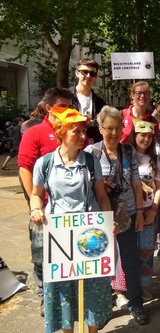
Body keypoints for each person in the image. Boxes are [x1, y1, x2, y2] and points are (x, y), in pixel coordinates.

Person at [29, 107, 113, 333]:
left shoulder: (91, 161)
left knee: (92, 287)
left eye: (84, 131)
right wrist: (36, 210)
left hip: (90, 234)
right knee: (64, 289)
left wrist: (108, 224)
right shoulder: (44, 163)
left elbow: (101, 196)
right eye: (76, 132)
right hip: (58, 236)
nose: (83, 137)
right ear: (62, 132)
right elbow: (36, 195)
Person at [84, 106, 149, 325]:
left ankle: (136, 303)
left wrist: (140, 212)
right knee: (100, 262)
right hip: (100, 217)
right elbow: (85, 185)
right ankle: (100, 309)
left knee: (130, 260)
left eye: (117, 128)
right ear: (100, 128)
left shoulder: (128, 151)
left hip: (128, 213)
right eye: (108, 128)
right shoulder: (91, 153)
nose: (113, 133)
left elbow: (137, 184)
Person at [18, 87, 73, 314]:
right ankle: (44, 295)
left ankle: (67, 293)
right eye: (64, 107)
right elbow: (24, 169)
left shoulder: (72, 131)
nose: (69, 111)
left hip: (70, 208)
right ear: (49, 108)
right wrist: (35, 203)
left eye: (71, 107)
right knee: (42, 255)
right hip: (44, 208)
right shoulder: (34, 133)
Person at [128, 118, 160, 290]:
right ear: (134, 135)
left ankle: (143, 288)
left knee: (146, 250)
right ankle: (129, 288)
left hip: (149, 211)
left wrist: (153, 210)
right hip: (130, 213)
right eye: (142, 135)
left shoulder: (155, 159)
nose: (146, 139)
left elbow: (159, 187)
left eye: (150, 136)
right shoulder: (126, 157)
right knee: (129, 251)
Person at [70, 57, 106, 143]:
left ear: (96, 77)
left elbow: (101, 128)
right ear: (77, 73)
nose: (88, 76)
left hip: (92, 149)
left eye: (92, 74)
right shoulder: (66, 98)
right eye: (84, 72)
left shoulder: (100, 103)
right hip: (70, 146)